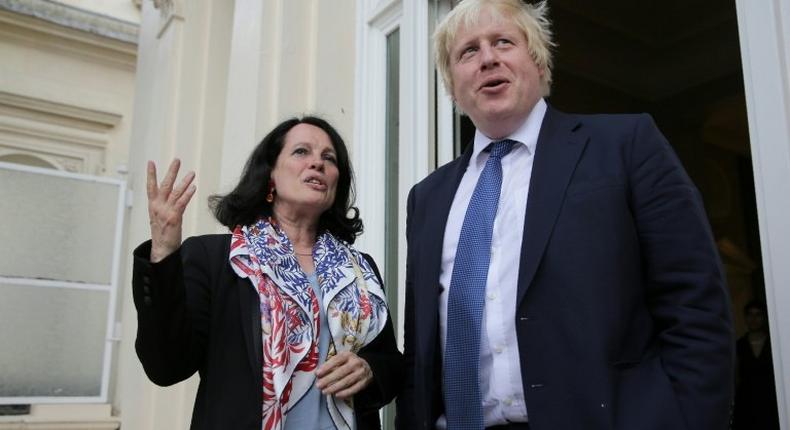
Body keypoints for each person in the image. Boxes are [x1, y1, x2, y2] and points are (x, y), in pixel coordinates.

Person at [396, 1, 734, 429]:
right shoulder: (426, 198)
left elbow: (695, 304)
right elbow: (419, 352)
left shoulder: (625, 146)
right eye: (468, 52)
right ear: (452, 86)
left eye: (503, 41)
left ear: (538, 62)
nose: (488, 59)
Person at [133, 116, 402, 429]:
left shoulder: (359, 270)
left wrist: (369, 369)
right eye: (301, 152)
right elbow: (166, 366)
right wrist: (163, 254)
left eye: (329, 158)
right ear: (270, 175)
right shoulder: (218, 259)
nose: (317, 162)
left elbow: (391, 365)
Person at [732, 301, 779, 430]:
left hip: (771, 401)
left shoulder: (775, 344)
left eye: (758, 315)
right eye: (750, 315)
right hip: (746, 402)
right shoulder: (739, 346)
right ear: (745, 318)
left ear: (764, 317)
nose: (754, 319)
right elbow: (736, 377)